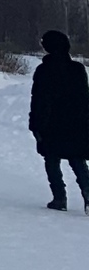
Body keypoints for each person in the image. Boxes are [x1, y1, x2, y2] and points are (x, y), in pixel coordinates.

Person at [29, 30, 89, 212]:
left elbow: (38, 99)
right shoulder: (77, 69)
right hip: (76, 123)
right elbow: (85, 98)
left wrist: (35, 124)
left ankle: (59, 198)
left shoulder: (44, 70)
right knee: (77, 160)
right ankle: (88, 193)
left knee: (51, 160)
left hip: (51, 123)